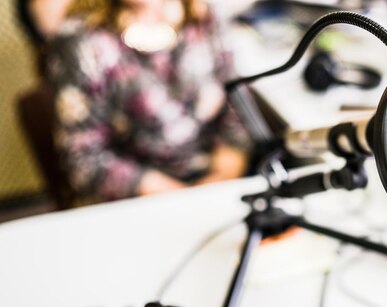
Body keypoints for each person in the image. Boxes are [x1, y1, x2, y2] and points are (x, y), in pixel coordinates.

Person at [47, 0, 251, 201]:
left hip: (217, 187)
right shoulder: (83, 41)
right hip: (140, 200)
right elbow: (84, 160)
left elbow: (238, 110)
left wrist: (219, 180)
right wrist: (184, 199)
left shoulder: (207, 16)